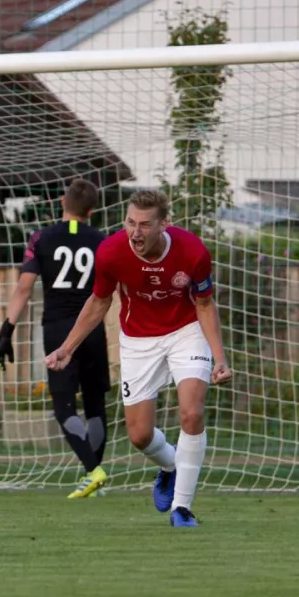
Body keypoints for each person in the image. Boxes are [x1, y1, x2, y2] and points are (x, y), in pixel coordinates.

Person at [45, 189, 230, 527]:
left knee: (191, 413)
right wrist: (66, 348)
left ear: (164, 224)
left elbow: (204, 305)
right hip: (138, 339)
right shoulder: (111, 251)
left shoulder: (193, 251)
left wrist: (219, 358)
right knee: (140, 436)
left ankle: (182, 509)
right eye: (130, 222)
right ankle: (171, 465)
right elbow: (99, 302)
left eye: (145, 225)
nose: (135, 232)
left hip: (186, 331)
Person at [0, 179, 111, 498]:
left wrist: (6, 333)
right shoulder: (102, 241)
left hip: (59, 331)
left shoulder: (41, 238)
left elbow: (24, 288)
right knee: (96, 405)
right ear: (92, 210)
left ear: (62, 203)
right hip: (92, 329)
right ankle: (94, 480)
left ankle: (93, 471)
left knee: (64, 406)